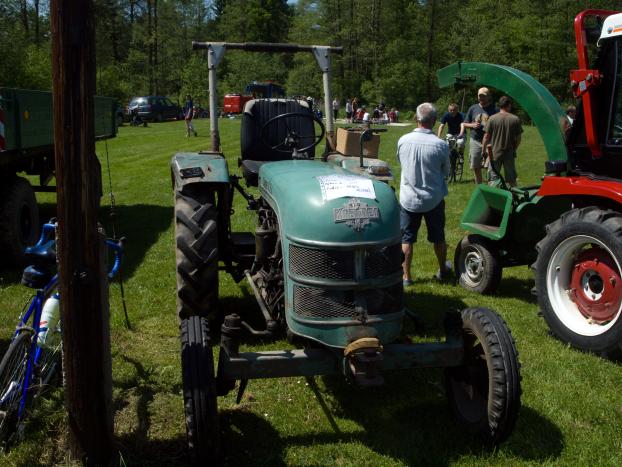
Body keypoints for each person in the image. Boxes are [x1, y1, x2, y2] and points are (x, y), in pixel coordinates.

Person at [397, 102, 452, 286]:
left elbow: (401, 163)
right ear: (434, 121)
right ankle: (443, 270)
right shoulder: (440, 145)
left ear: (416, 118)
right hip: (433, 198)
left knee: (406, 239)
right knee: (439, 237)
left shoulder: (403, 140)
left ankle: (406, 277)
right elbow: (446, 172)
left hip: (409, 199)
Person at [481, 95, 523, 187]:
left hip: (494, 153)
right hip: (509, 153)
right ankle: (514, 195)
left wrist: (483, 151)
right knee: (512, 180)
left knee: (492, 180)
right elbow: (519, 138)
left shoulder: (492, 118)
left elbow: (486, 137)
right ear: (509, 105)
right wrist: (514, 149)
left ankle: (492, 195)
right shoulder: (515, 119)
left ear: (500, 105)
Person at [460, 87, 497, 184]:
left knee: (491, 166)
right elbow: (464, 123)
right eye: (480, 96)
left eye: (483, 96)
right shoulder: (473, 108)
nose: (481, 98)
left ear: (488, 97)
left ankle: (491, 187)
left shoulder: (494, 109)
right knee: (476, 166)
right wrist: (472, 125)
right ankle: (479, 187)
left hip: (490, 141)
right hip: (475, 140)